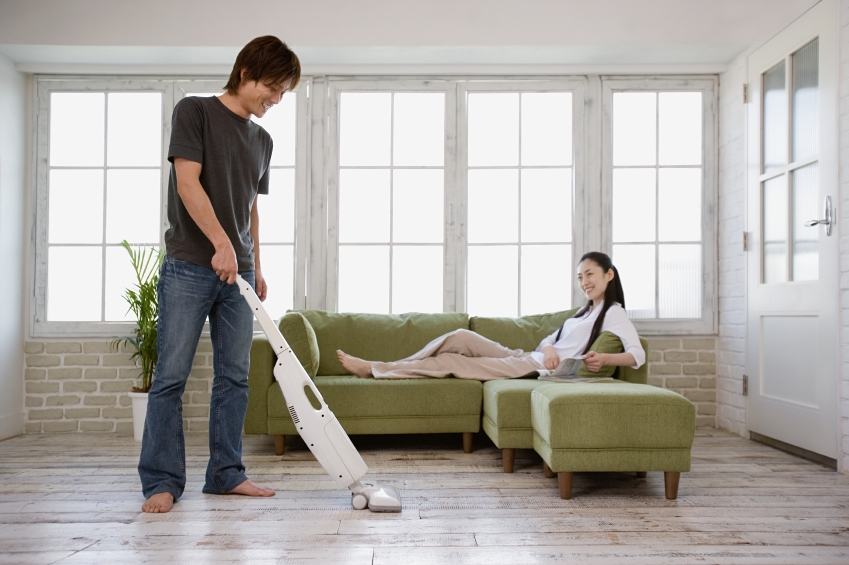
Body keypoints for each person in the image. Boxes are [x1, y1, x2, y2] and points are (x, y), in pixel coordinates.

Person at [138, 36, 301, 514]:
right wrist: (223, 245)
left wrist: (255, 263)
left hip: (240, 274)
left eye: (283, 92)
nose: (276, 99)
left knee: (235, 377)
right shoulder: (195, 112)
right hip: (190, 264)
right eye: (273, 87)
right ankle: (162, 481)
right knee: (170, 376)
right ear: (247, 71)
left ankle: (227, 475)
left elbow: (249, 207)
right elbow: (186, 183)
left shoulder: (262, 140)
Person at [337, 251, 645, 380]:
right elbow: (549, 340)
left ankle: (376, 370)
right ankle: (385, 367)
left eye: (589, 274)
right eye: (580, 277)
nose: (584, 282)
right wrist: (549, 347)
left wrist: (605, 360)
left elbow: (637, 354)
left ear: (609, 275)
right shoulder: (583, 312)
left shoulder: (613, 314)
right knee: (459, 336)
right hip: (528, 356)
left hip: (530, 369)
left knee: (449, 362)